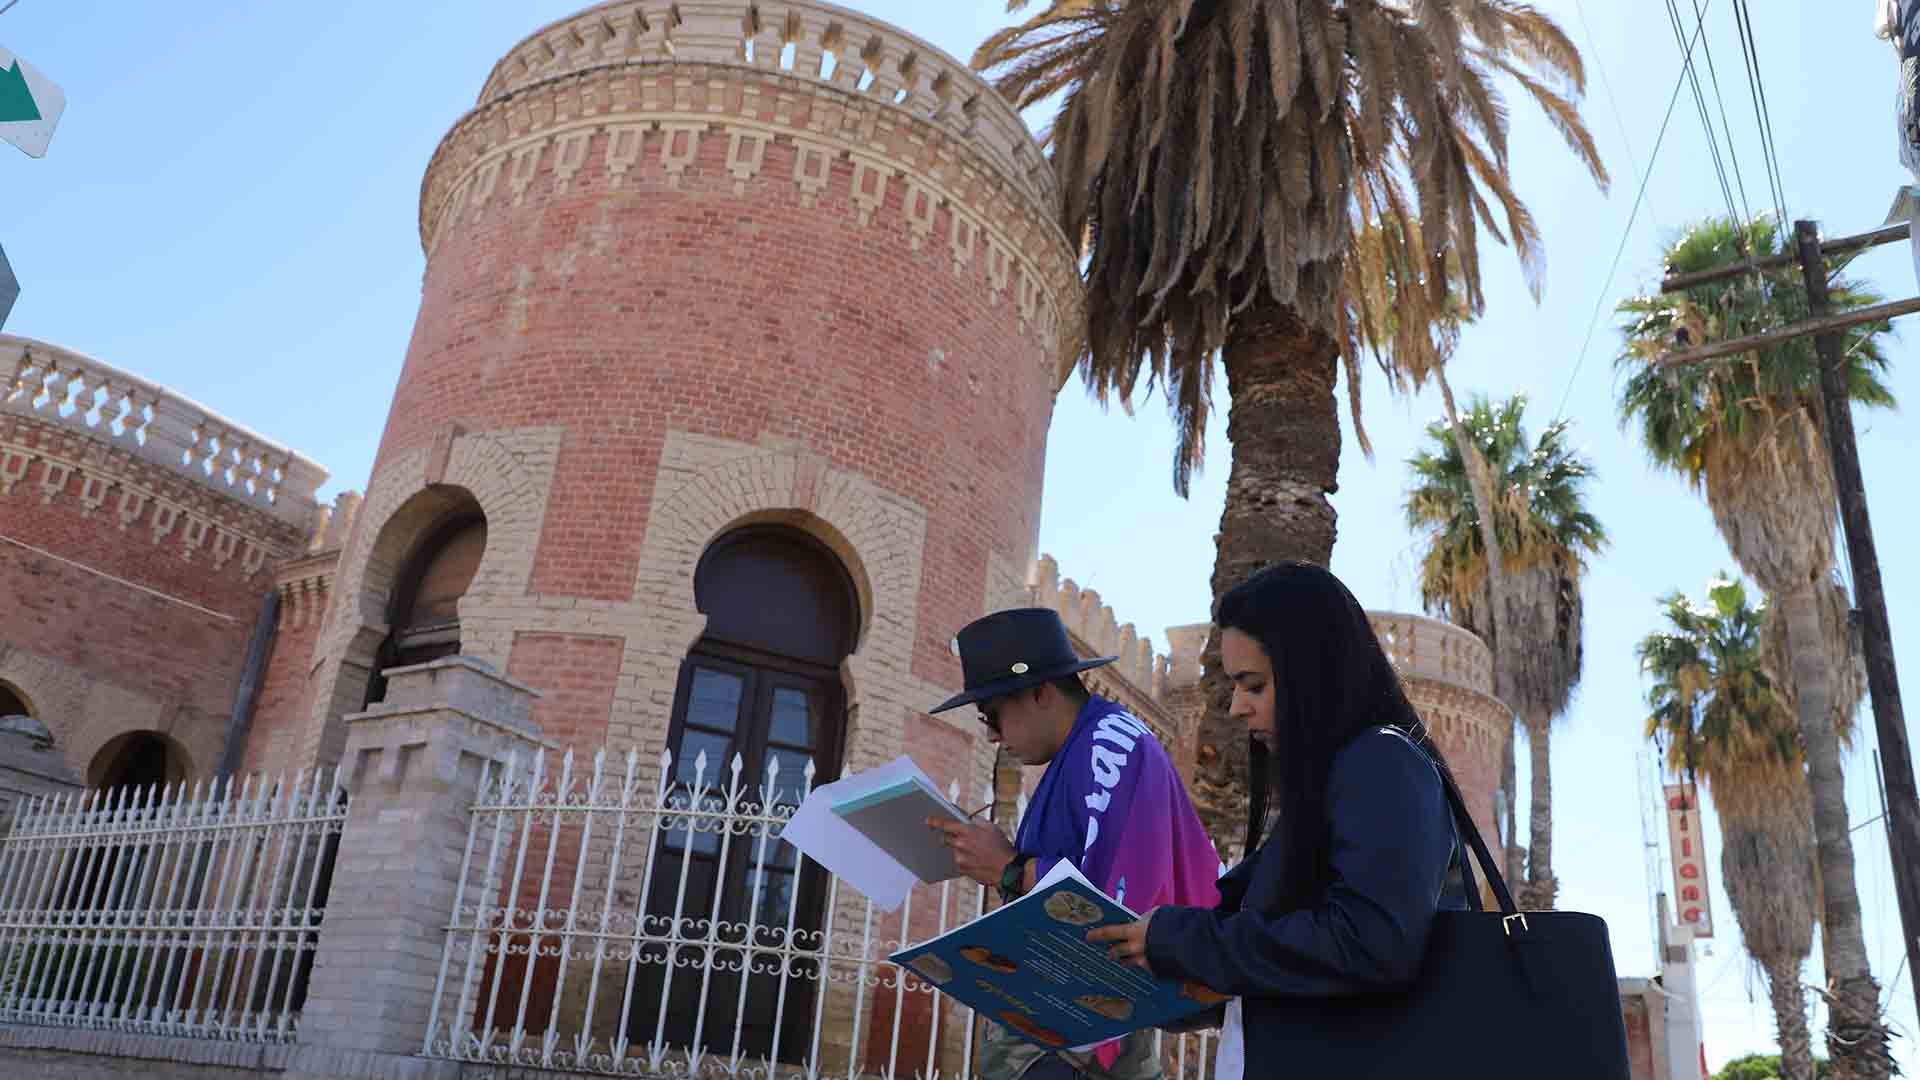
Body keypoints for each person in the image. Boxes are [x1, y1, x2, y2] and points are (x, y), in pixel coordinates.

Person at [1087, 563, 1468, 1078]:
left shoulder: (1383, 765)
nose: (1238, 708)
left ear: (1313, 675)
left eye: (1255, 685)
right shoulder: (1335, 784)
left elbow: (1372, 944)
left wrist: (1183, 941)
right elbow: (1290, 966)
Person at [925, 607, 1221, 1080]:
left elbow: (1103, 905)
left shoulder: (1107, 748)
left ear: (1039, 692)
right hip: (1068, 1033)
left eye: (992, 715)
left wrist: (1007, 867)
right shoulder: (1084, 749)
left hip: (1078, 1043)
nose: (992, 736)